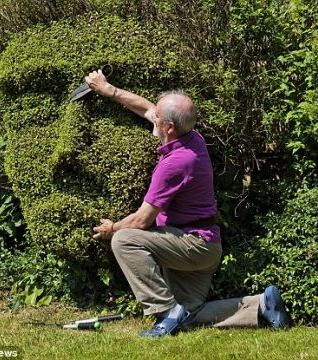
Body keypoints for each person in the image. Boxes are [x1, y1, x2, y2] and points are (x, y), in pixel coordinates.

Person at [86, 70, 289, 337]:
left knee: (125, 240)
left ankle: (165, 311)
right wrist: (108, 89)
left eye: (158, 118)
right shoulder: (193, 138)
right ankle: (261, 304)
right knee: (190, 315)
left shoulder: (174, 164)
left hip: (191, 245)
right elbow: (147, 108)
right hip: (204, 245)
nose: (152, 117)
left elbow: (141, 221)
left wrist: (112, 228)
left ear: (168, 128)